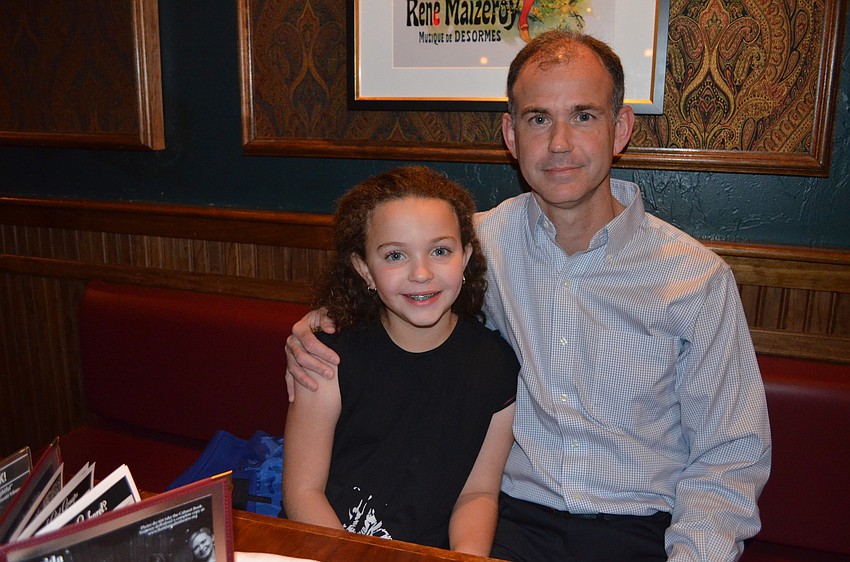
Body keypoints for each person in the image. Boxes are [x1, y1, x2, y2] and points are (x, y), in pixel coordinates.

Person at [285, 31, 771, 562]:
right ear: (511, 135)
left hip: (639, 530)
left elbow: (728, 460)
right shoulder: (475, 246)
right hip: (513, 521)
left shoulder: (696, 280)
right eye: (539, 119)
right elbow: (398, 272)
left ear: (621, 128)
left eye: (583, 115)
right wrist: (319, 325)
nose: (559, 142)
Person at [281, 166, 519, 557]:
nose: (421, 273)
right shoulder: (327, 355)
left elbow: (478, 492)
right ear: (364, 270)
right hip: (331, 547)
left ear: (466, 258)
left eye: (440, 251)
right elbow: (302, 494)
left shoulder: (495, 366)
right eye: (395, 255)